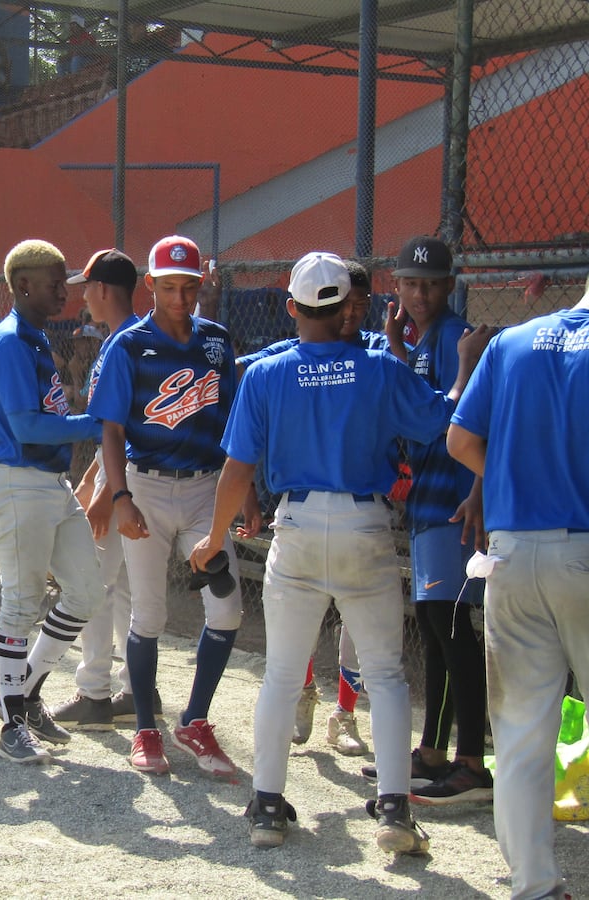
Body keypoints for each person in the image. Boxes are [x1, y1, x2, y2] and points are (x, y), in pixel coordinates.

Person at [189, 250, 486, 852]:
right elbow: (446, 421)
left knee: (279, 673)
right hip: (364, 525)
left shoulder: (267, 375)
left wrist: (214, 538)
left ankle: (267, 806)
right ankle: (395, 813)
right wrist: (464, 368)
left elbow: (236, 471)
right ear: (350, 307)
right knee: (385, 672)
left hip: (295, 525)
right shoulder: (379, 368)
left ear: (293, 307)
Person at [90, 235, 254, 777]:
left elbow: (237, 428)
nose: (179, 298)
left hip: (209, 488)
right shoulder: (129, 345)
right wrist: (120, 498)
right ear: (150, 286)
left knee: (227, 608)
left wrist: (245, 491)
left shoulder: (215, 340)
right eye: (168, 287)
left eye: (188, 286)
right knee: (150, 613)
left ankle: (195, 720)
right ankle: (144, 727)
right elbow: (111, 430)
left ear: (201, 283)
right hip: (148, 487)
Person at [447, 277, 589, 900]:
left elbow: (461, 440)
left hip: (510, 553)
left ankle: (534, 885)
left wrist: (514, 471)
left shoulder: (512, 342)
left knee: (522, 732)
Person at [239, 261, 390, 757]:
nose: (355, 313)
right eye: (350, 303)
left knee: (355, 625)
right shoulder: (288, 358)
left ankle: (343, 713)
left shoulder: (377, 354)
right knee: (296, 631)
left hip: (364, 505)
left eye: (363, 306)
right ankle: (304, 690)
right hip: (309, 509)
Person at [0, 238, 104, 764]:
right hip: (16, 479)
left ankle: (22, 694)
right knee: (21, 602)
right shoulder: (8, 341)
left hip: (49, 484)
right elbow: (27, 424)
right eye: (55, 283)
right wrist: (99, 422)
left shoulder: (33, 339)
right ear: (23, 284)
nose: (64, 293)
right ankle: (11, 724)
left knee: (86, 591)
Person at [383, 236, 493, 805]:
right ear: (396, 288)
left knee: (451, 628)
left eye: (430, 283)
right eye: (410, 282)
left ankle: (471, 762)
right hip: (427, 503)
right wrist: (399, 350)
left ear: (450, 286)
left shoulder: (456, 338)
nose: (420, 292)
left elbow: (478, 423)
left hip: (451, 504)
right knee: (431, 624)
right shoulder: (420, 340)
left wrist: (479, 489)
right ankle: (432, 751)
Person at [50, 249, 144, 731]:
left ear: (104, 291)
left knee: (93, 586)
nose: (83, 296)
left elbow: (123, 431)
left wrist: (108, 494)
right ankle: (132, 691)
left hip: (126, 480)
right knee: (126, 589)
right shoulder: (136, 336)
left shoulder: (121, 343)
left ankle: (93, 693)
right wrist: (93, 481)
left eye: (87, 286)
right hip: (129, 477)